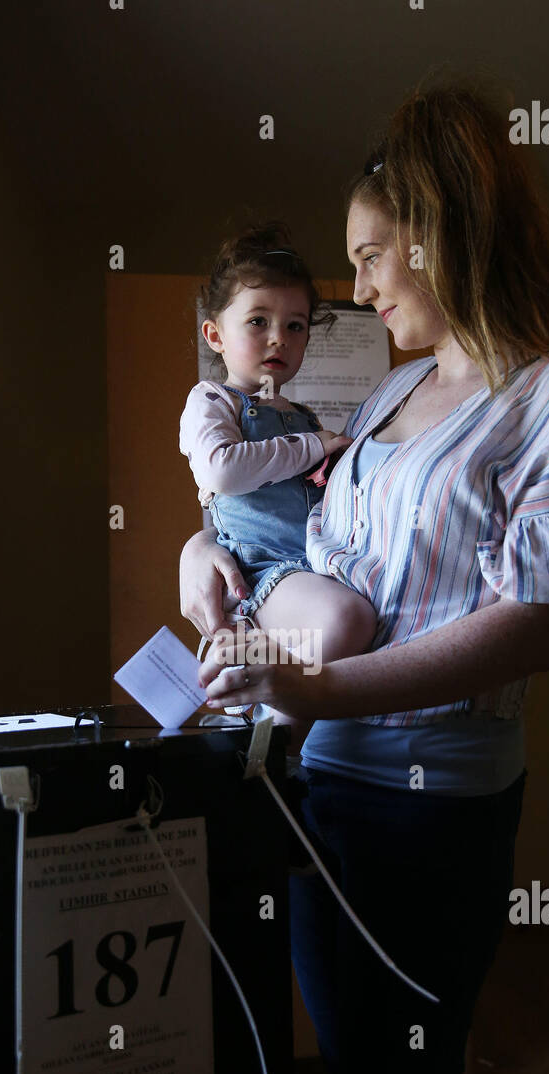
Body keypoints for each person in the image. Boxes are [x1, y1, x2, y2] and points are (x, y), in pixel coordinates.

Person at [180, 81, 549, 1074]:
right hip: (315, 798)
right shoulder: (387, 396)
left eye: (369, 256)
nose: (357, 290)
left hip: (425, 816)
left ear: (441, 230)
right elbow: (305, 550)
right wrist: (205, 560)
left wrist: (324, 690)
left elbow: (532, 629)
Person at [180, 222, 376, 744]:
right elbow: (221, 468)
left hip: (312, 559)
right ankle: (280, 743)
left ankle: (265, 710)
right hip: (260, 569)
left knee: (352, 618)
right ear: (215, 334)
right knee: (347, 618)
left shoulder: (303, 414)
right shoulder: (211, 402)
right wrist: (314, 447)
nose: (278, 338)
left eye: (296, 326)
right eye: (259, 320)